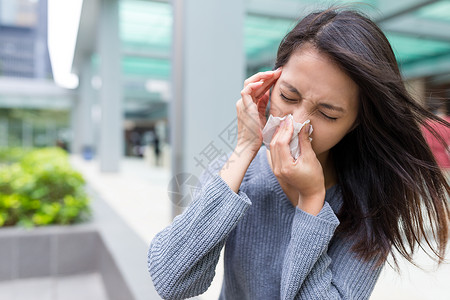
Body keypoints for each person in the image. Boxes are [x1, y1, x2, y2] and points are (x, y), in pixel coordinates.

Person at [147, 8, 450, 300]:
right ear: (270, 83)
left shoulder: (370, 204)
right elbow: (170, 280)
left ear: (356, 122)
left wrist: (311, 203)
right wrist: (243, 150)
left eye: (327, 114)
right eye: (288, 96)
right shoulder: (235, 174)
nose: (297, 123)